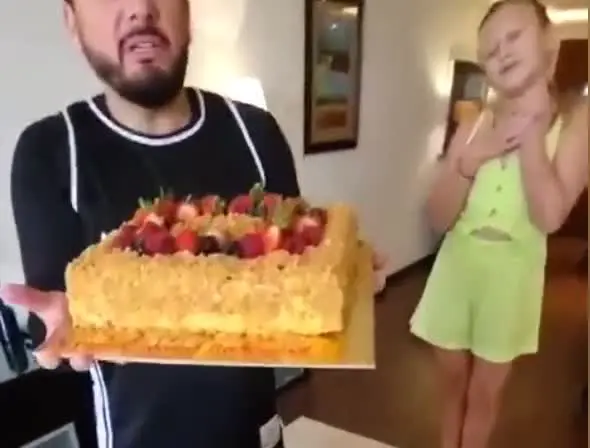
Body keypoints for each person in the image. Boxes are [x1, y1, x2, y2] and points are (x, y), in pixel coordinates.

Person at [0, 1, 386, 447]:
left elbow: (295, 281)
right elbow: (51, 327)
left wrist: (344, 284)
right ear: (72, 20)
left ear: (188, 12)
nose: (140, 8)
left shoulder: (256, 132)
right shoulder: (50, 152)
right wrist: (63, 330)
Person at [410, 1, 588, 447]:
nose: (502, 52)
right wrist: (469, 161)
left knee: (485, 395)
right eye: (490, 50)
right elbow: (437, 217)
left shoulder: (577, 120)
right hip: (456, 265)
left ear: (549, 41)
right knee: (451, 386)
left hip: (513, 273)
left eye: (514, 37)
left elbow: (549, 216)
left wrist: (532, 138)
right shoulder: (473, 121)